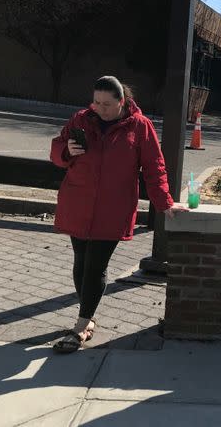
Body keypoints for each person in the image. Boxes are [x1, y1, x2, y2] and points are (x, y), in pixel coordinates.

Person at [49, 75, 186, 353]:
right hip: (79, 201)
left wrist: (165, 203)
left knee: (95, 266)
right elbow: (56, 150)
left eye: (107, 104)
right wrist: (66, 151)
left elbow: (154, 167)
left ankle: (80, 326)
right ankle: (87, 316)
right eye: (96, 102)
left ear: (122, 101)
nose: (100, 108)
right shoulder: (81, 119)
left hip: (113, 208)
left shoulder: (140, 126)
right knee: (81, 261)